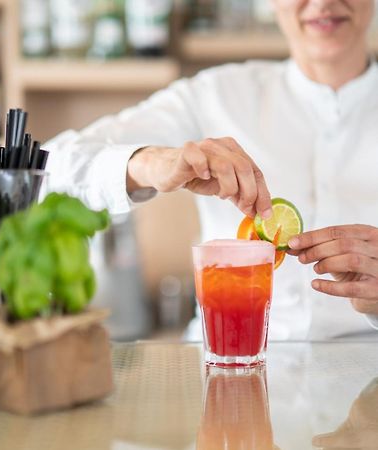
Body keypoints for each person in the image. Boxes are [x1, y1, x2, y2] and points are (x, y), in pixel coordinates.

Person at [44, 0, 378, 340]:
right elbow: (44, 166)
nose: (322, 3)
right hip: (223, 365)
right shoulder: (214, 94)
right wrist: (148, 161)